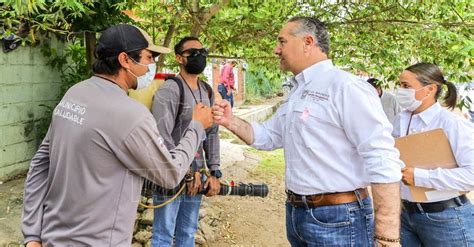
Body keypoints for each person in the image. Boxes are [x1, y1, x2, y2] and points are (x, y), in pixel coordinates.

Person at [213, 16, 403, 247]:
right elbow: (270, 136)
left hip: (339, 218)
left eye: (282, 42)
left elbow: (381, 157)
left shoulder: (346, 87)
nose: (276, 50)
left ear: (308, 42)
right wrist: (231, 121)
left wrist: (386, 235)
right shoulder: (298, 91)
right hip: (297, 213)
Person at [21, 24, 214, 247]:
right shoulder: (131, 115)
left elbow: (39, 164)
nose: (151, 66)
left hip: (52, 238)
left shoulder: (75, 94)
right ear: (125, 60)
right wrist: (197, 126)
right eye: (148, 57)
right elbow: (170, 174)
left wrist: (32, 235)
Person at [150, 37, 222, 247]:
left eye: (203, 51)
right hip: (170, 177)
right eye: (193, 53)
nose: (199, 56)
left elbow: (212, 133)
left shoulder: (207, 91)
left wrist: (214, 171)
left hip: (197, 178)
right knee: (163, 235)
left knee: (188, 233)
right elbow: (161, 139)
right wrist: (186, 173)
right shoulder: (170, 91)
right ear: (179, 58)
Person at [392, 62, 474, 247]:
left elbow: (472, 175)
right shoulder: (400, 119)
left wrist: (421, 177)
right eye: (400, 85)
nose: (400, 90)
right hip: (405, 215)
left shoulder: (452, 124)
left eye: (406, 86)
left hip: (446, 218)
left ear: (429, 89)